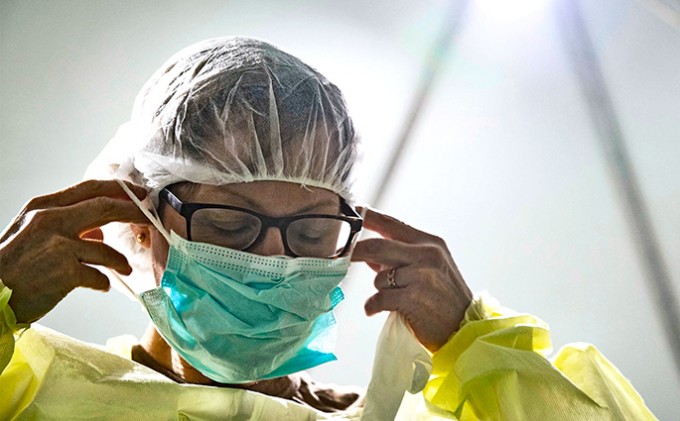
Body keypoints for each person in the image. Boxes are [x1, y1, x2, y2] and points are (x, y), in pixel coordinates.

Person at [0, 37, 656, 420]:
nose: (275, 260)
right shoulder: (40, 394)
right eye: (230, 223)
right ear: (139, 223)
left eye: (312, 234)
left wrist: (478, 346)